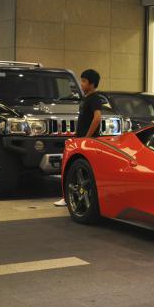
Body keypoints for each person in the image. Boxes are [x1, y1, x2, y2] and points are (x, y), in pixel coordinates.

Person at [54, 69, 103, 206]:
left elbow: (97, 118)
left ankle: (70, 198)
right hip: (79, 139)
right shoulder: (86, 97)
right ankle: (68, 197)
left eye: (84, 81)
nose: (81, 84)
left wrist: (87, 137)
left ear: (92, 84)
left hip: (87, 140)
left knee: (79, 169)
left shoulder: (94, 98)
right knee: (71, 168)